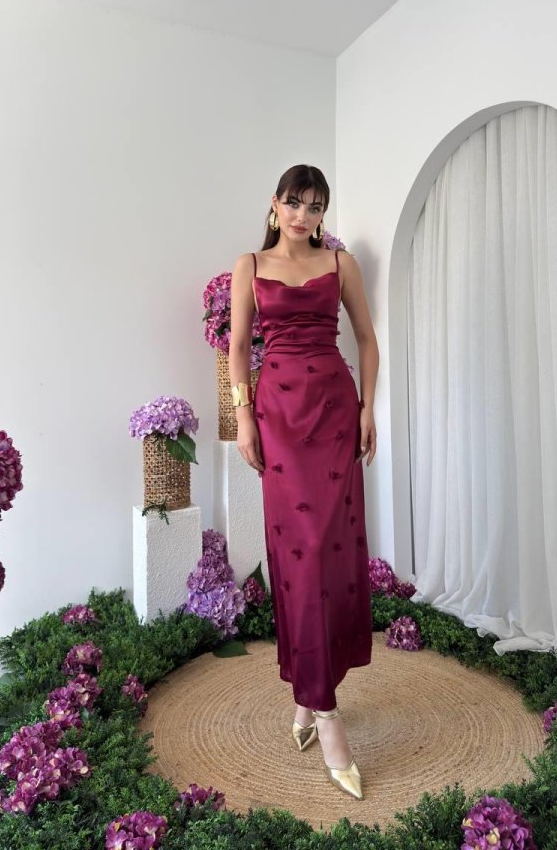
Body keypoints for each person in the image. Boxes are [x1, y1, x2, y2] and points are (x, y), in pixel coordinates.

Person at [229, 164, 379, 800]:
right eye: (294, 203)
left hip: (335, 411)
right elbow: (240, 347)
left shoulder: (341, 265)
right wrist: (244, 418)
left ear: (323, 214)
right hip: (279, 417)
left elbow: (366, 340)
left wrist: (368, 408)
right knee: (299, 554)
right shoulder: (249, 266)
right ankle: (324, 709)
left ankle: (312, 698)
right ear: (275, 204)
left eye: (315, 207)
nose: (303, 216)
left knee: (330, 553)